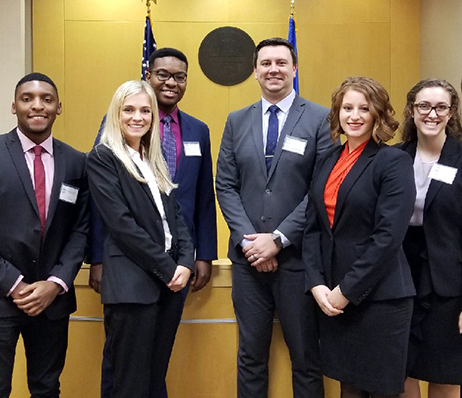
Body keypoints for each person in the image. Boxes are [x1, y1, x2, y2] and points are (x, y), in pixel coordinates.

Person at [87, 48, 217, 398]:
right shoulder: (104, 155)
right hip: (135, 282)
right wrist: (169, 268)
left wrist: (187, 261)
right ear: (117, 113)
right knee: (127, 381)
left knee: (154, 376)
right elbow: (122, 224)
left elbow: (177, 215)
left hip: (168, 281)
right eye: (129, 110)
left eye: (145, 111)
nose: (138, 117)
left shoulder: (152, 156)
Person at [216, 37, 332, 398]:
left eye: (281, 63)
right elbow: (225, 185)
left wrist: (278, 240)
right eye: (265, 63)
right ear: (255, 72)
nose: (274, 70)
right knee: (250, 357)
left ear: (294, 69)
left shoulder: (319, 118)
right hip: (248, 261)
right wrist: (252, 241)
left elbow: (322, 189)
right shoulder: (237, 121)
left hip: (298, 261)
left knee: (306, 358)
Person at [303, 76, 416, 398]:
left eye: (364, 108)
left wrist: (346, 290)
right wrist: (317, 284)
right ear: (337, 112)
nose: (354, 115)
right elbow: (313, 228)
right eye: (347, 107)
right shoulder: (327, 160)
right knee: (349, 390)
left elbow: (388, 237)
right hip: (333, 300)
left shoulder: (393, 161)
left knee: (381, 391)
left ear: (377, 114)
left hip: (379, 299)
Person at [0, 72, 89, 397]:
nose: (37, 106)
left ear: (58, 107)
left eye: (46, 99)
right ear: (14, 106)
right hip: (2, 295)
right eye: (27, 99)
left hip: (52, 301)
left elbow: (81, 229)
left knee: (47, 387)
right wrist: (14, 284)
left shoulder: (77, 162)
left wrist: (56, 283)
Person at [398, 79, 462, 398]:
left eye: (441, 107)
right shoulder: (394, 158)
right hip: (400, 277)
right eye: (424, 106)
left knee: (445, 373)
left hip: (448, 284)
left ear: (452, 113)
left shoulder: (461, 158)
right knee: (402, 370)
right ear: (412, 111)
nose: (432, 114)